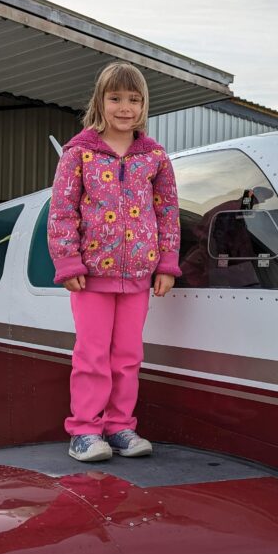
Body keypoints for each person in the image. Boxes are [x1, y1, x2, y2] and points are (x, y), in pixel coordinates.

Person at [47, 61, 180, 462]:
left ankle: (121, 426)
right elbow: (62, 210)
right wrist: (68, 262)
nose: (125, 107)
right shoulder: (79, 153)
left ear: (144, 105)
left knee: (127, 356)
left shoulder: (154, 156)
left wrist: (166, 264)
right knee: (92, 355)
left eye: (134, 99)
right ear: (100, 102)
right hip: (92, 278)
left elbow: (167, 211)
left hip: (139, 275)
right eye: (116, 98)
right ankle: (85, 430)